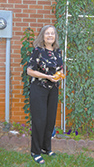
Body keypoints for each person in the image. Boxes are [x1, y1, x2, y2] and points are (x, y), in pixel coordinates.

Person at [27, 25, 63, 164]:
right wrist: (47, 76)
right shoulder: (38, 51)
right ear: (42, 36)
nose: (50, 36)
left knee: (50, 121)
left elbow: (59, 68)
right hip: (39, 89)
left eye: (52, 33)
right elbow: (29, 71)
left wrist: (59, 76)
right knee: (40, 120)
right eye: (47, 33)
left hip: (53, 89)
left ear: (55, 37)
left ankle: (45, 148)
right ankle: (35, 151)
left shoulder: (58, 52)